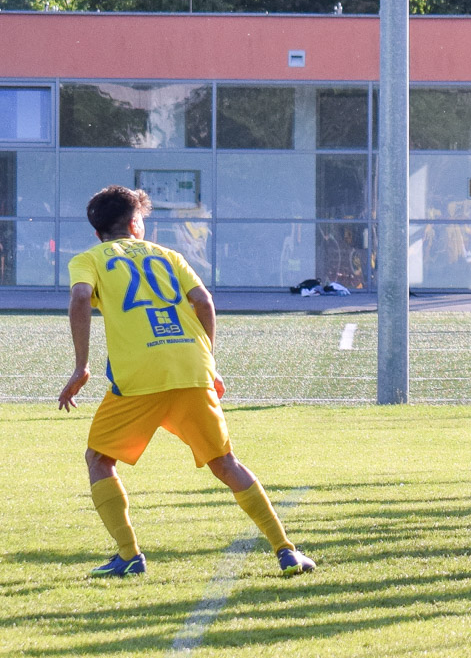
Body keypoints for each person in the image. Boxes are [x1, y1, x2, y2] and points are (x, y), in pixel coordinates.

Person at [57, 186, 316, 578]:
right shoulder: (169, 255)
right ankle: (286, 550)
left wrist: (81, 367)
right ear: (136, 224)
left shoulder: (88, 258)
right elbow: (205, 302)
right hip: (191, 367)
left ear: (98, 233)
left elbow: (80, 297)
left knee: (99, 459)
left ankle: (129, 556)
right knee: (225, 462)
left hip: (140, 376)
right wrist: (209, 363)